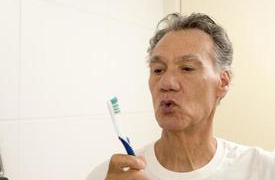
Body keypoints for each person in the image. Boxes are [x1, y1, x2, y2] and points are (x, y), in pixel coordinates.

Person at [87, 13, 275, 180]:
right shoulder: (110, 175)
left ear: (223, 82)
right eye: (158, 70)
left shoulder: (263, 170)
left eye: (187, 68)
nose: (166, 83)